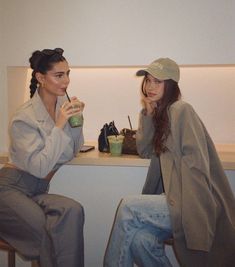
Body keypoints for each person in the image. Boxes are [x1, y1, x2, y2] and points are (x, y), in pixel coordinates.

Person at [104, 58, 235, 267]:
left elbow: (196, 165)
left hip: (191, 201)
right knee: (140, 241)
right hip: (173, 199)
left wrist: (193, 214)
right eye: (148, 80)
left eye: (158, 81)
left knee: (128, 207)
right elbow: (145, 151)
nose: (150, 86)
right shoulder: (160, 115)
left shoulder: (181, 110)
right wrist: (148, 114)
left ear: (171, 85)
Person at [0, 48, 85, 267]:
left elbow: (72, 151)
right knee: (42, 230)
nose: (66, 81)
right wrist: (59, 125)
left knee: (73, 211)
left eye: (68, 73)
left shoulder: (61, 107)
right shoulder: (24, 117)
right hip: (9, 189)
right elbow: (38, 167)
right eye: (59, 75)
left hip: (36, 190)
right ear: (40, 77)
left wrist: (76, 121)